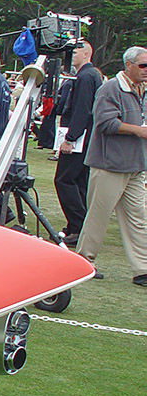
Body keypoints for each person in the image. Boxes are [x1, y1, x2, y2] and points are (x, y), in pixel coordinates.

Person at [76, 46, 147, 285]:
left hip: (135, 165)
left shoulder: (143, 89)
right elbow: (105, 123)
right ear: (128, 65)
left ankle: (142, 269)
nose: (146, 70)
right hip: (109, 164)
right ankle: (84, 262)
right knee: (98, 216)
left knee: (138, 218)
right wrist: (139, 131)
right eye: (142, 65)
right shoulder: (110, 88)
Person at [53, 42, 102, 245]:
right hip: (86, 137)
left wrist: (71, 138)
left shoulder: (85, 77)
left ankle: (78, 224)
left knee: (64, 179)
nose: (71, 55)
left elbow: (83, 109)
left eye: (74, 52)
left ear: (87, 53)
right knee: (78, 181)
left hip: (80, 137)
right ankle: (78, 226)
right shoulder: (90, 76)